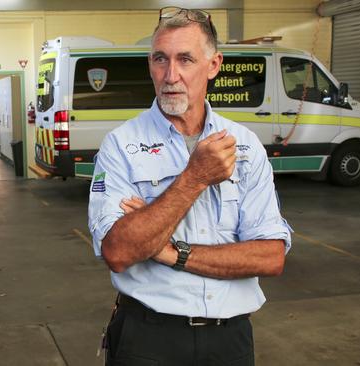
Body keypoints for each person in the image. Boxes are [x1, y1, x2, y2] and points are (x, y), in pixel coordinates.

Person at [88, 7, 292, 366]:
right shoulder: (120, 145)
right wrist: (193, 178)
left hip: (230, 341)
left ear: (213, 65)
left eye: (185, 59)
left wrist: (167, 251)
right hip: (148, 339)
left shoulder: (244, 146)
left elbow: (270, 256)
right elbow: (119, 251)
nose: (171, 75)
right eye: (160, 59)